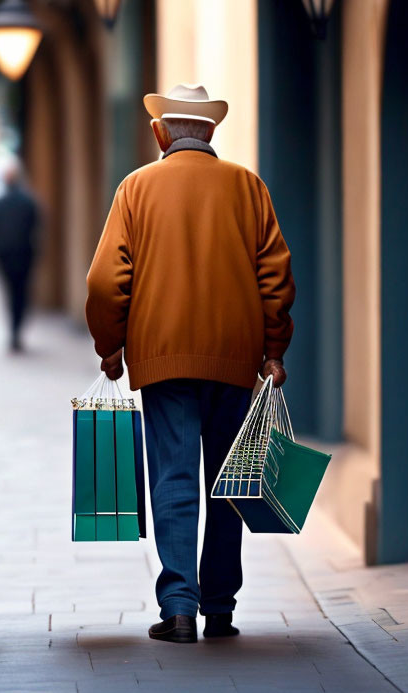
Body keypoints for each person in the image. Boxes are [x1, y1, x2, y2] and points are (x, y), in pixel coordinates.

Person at [85, 84, 295, 644]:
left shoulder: (136, 188)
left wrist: (111, 344)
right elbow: (276, 279)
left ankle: (178, 605)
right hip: (235, 357)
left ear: (160, 133)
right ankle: (220, 606)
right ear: (211, 134)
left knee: (173, 477)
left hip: (162, 358)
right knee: (231, 481)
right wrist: (274, 349)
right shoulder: (247, 186)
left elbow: (106, 281)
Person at [0, 164, 40, 352]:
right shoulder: (29, 202)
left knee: (10, 292)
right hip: (24, 254)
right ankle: (16, 329)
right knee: (21, 292)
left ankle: (14, 330)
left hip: (4, 256)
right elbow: (37, 229)